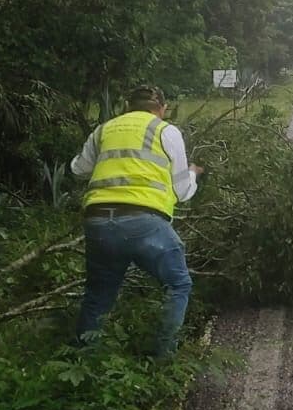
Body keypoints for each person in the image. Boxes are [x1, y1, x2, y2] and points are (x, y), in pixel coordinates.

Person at [69, 85, 202, 355]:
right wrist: (192, 174)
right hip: (143, 222)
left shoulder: (105, 129)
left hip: (97, 222)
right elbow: (182, 192)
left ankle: (82, 360)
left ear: (127, 106)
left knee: (98, 295)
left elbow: (77, 169)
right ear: (162, 109)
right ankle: (164, 358)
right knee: (178, 283)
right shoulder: (167, 131)